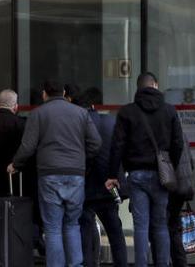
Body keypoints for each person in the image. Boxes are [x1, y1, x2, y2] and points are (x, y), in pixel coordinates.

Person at [9, 80, 102, 267]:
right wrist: (81, 160)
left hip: (49, 174)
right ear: (64, 92)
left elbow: (27, 147)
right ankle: (76, 265)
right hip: (76, 175)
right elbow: (96, 143)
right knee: (72, 224)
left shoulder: (38, 114)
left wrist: (16, 164)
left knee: (52, 228)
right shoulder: (81, 113)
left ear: (44, 94)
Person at [106, 75, 184, 267]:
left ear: (138, 88)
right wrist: (169, 164)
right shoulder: (169, 111)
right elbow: (178, 143)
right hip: (162, 176)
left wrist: (112, 174)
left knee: (141, 227)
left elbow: (118, 145)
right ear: (156, 86)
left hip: (136, 174)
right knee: (161, 225)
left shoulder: (127, 112)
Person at [76, 87, 128, 267]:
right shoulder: (110, 122)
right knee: (115, 230)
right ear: (93, 105)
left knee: (84, 229)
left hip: (86, 186)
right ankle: (121, 263)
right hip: (109, 184)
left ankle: (88, 263)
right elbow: (120, 150)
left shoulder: (78, 124)